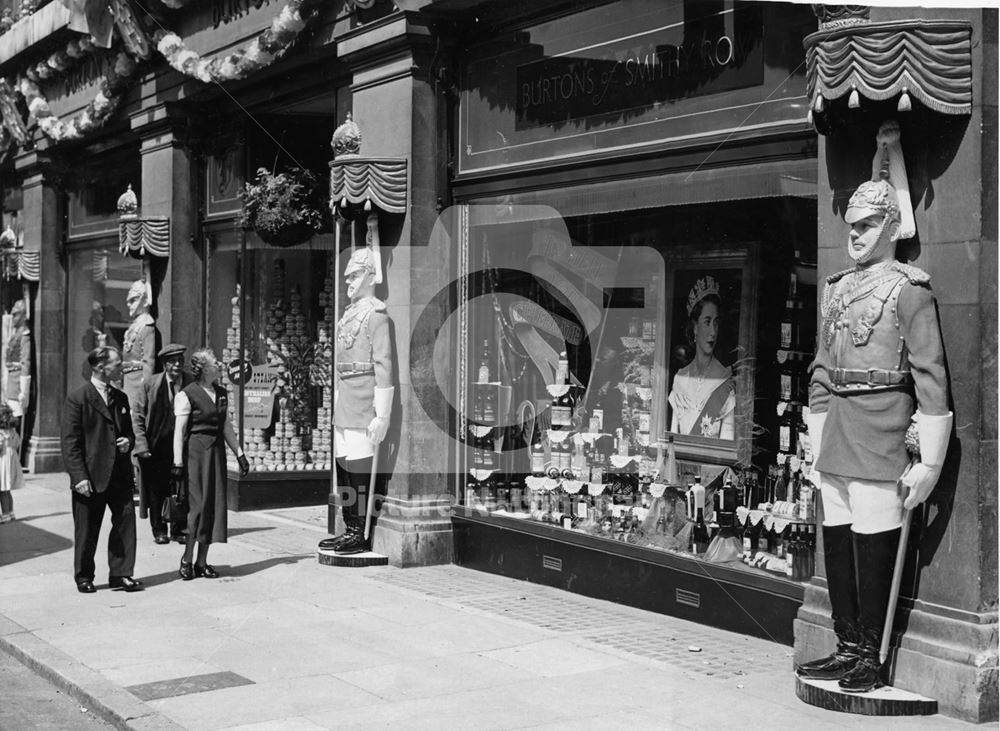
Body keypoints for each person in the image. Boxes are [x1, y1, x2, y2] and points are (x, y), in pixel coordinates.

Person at [796, 122, 951, 693]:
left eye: (867, 225)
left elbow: (931, 377)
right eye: (851, 225)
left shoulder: (911, 291)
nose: (855, 235)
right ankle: (846, 645)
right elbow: (818, 366)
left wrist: (928, 461)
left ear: (892, 225)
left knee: (872, 542)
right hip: (836, 424)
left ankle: (870, 653)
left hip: (883, 426)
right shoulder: (836, 289)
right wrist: (815, 425)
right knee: (835, 538)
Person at [317, 246, 394, 555]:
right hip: (345, 396)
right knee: (344, 466)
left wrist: (383, 415)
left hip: (364, 399)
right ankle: (349, 527)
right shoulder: (348, 314)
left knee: (360, 467)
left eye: (355, 274)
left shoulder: (377, 315)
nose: (348, 280)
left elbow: (384, 365)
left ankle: (359, 532)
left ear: (370, 276)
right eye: (347, 275)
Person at [60, 346, 142, 593]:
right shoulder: (78, 399)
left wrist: (128, 442)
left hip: (119, 474)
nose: (121, 367)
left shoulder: (121, 398)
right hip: (90, 476)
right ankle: (84, 576)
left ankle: (121, 573)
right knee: (87, 529)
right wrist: (79, 477)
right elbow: (70, 442)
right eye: (117, 364)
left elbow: (128, 432)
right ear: (99, 367)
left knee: (125, 523)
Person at [171, 348, 249, 580]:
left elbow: (226, 427)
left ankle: (202, 561)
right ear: (204, 369)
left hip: (215, 455)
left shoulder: (222, 393)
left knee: (213, 506)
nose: (220, 365)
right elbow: (179, 431)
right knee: (198, 507)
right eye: (215, 363)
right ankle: (187, 559)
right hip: (195, 454)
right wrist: (177, 462)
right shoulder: (187, 394)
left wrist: (240, 454)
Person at [133, 343, 189, 544]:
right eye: (173, 361)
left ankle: (179, 528)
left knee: (180, 488)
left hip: (182, 446)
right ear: (165, 364)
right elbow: (138, 415)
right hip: (156, 446)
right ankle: (159, 530)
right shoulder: (150, 384)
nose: (177, 365)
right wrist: (141, 445)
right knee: (157, 490)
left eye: (180, 361)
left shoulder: (190, 383)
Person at [667, 276, 735, 439]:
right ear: (695, 328)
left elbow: (726, 448)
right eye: (707, 322)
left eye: (716, 323)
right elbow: (673, 441)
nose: (713, 331)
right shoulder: (680, 378)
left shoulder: (724, 382)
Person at [120, 280, 157, 406]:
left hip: (138, 382)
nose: (129, 305)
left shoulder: (147, 326)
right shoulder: (135, 325)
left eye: (133, 300)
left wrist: (145, 391)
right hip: (128, 380)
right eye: (128, 301)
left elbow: (148, 362)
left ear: (145, 301)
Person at [4, 298, 30, 427]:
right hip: (10, 384)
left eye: (16, 314)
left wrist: (24, 391)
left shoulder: (24, 336)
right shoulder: (15, 334)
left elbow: (25, 363)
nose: (13, 317)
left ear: (24, 315)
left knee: (17, 424)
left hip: (17, 386)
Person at [0, 402, 21, 522]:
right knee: (7, 490)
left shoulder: (1, 433)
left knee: (2, 490)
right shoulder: (13, 431)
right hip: (11, 459)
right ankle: (11, 512)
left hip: (2, 461)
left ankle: (5, 514)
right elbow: (17, 444)